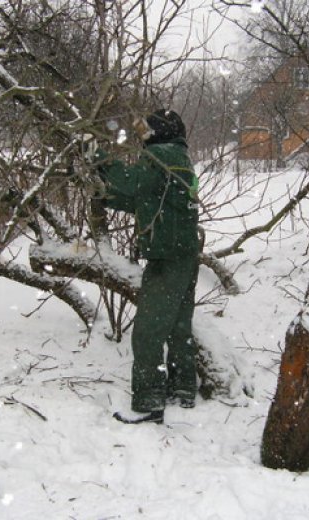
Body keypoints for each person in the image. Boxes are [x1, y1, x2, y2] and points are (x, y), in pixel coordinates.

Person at [92, 109, 200, 424]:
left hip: (167, 256)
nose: (142, 136)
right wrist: (107, 196)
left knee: (148, 333)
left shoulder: (159, 155)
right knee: (179, 328)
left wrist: (96, 154)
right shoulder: (179, 156)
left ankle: (150, 399)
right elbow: (149, 196)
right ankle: (183, 388)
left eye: (146, 130)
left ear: (158, 132)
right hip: (185, 253)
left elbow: (130, 185)